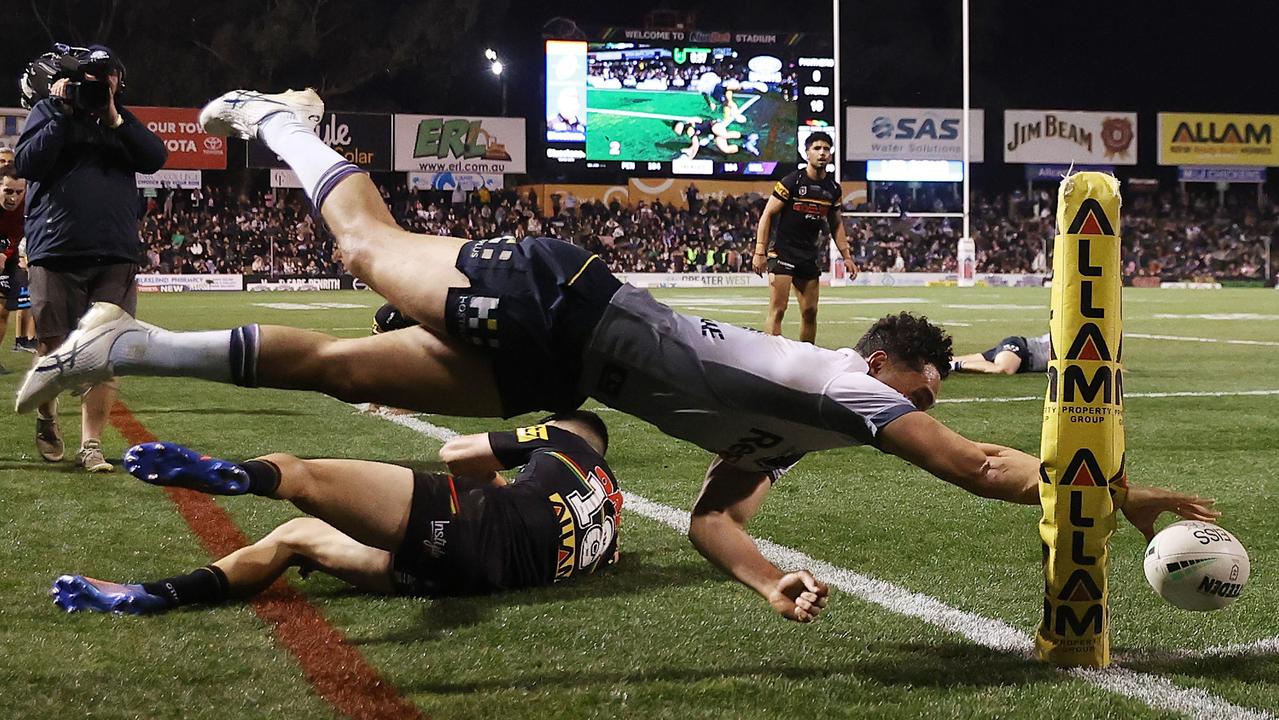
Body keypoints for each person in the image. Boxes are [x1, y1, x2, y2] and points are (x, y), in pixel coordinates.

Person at [20, 88, 1215, 622]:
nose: (927, 406)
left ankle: (133, 341)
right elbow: (979, 468)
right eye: (927, 387)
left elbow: (711, 521)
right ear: (889, 369)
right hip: (571, 302)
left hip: (567, 368)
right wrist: (1130, 491)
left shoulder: (784, 437)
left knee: (340, 371)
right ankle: (286, 118)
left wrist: (765, 577)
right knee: (367, 243)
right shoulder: (850, 388)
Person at [51, 411, 621, 614]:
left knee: (304, 480)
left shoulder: (562, 441)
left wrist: (509, 451)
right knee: (300, 537)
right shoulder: (611, 510)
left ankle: (238, 474)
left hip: (471, 518)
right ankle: (155, 595)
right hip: (469, 578)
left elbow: (457, 454)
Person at [13, 44, 167, 471]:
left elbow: (155, 158)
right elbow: (28, 162)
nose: (101, 83)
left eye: (108, 75)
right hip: (57, 249)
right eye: (94, 76)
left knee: (107, 351)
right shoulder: (48, 110)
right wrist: (62, 112)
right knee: (53, 346)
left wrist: (115, 118)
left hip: (115, 252)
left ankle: (91, 445)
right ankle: (47, 414)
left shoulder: (123, 120)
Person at [752, 132, 857, 344]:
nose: (822, 153)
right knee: (778, 310)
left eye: (826, 149)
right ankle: (773, 362)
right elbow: (767, 214)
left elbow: (836, 223)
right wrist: (759, 251)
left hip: (808, 255)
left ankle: (806, 359)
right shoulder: (792, 181)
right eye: (816, 148)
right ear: (806, 153)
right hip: (783, 252)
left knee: (810, 312)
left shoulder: (833, 189)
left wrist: (847, 256)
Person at [0, 168, 26, 373]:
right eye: (8, 191)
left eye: (19, 192)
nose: (14, 197)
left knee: (2, 311)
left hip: (8, 257)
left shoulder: (27, 206)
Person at [950, 333, 1051, 375]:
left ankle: (943, 361)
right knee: (1004, 368)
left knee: (982, 359)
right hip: (1023, 348)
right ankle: (952, 366)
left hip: (1022, 360)